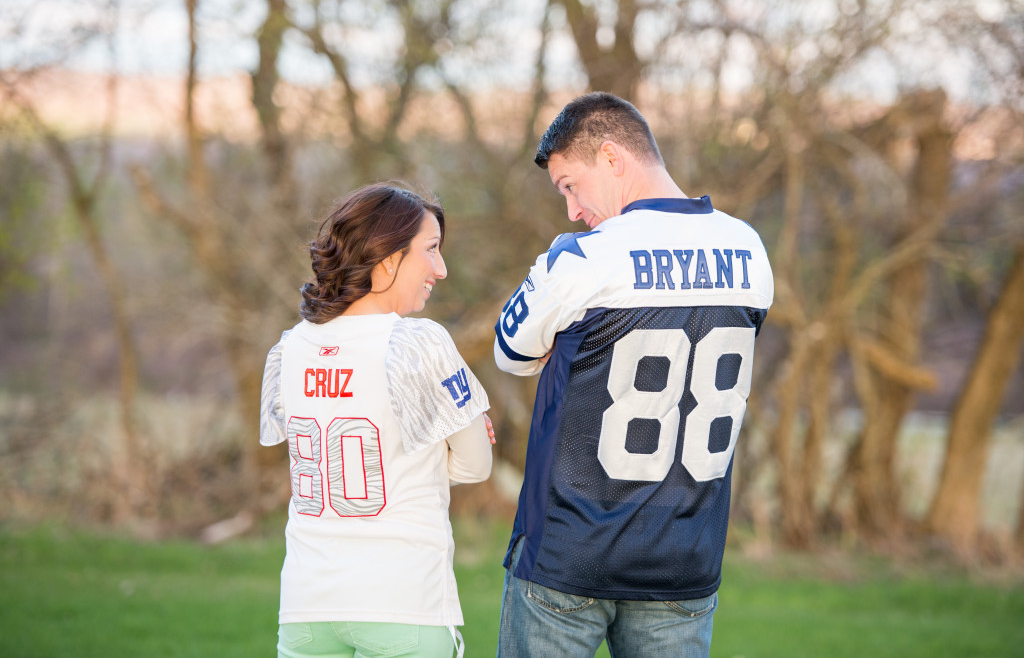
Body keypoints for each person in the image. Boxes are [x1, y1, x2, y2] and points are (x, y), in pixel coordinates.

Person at [492, 92, 774, 657]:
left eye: (571, 184)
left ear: (614, 159)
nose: (571, 210)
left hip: (568, 553)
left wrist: (571, 337)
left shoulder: (581, 257)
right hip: (684, 552)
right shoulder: (749, 249)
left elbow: (511, 352)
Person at [260, 182, 495, 658]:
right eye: (430, 251)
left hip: (307, 606)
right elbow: (477, 465)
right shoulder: (417, 343)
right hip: (402, 602)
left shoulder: (289, 347)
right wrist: (428, 449)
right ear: (388, 258)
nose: (441, 269)